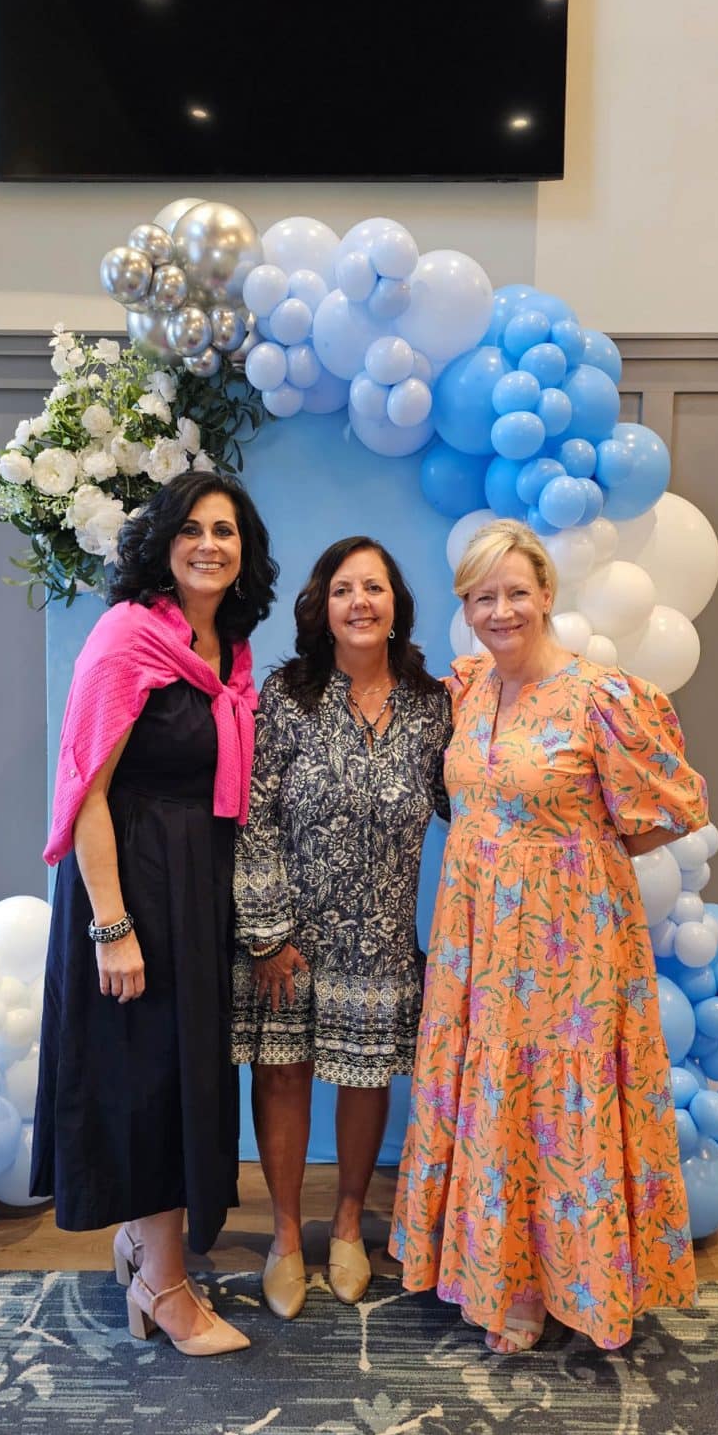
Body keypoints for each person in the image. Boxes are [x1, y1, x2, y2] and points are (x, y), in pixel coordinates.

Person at [392, 518, 709, 1354]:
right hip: (474, 934)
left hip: (569, 941)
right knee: (496, 1095)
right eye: (482, 597)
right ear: (466, 606)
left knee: (559, 1101)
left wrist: (584, 855)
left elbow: (678, 805)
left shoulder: (601, 696)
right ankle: (508, 1276)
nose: (500, 611)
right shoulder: (465, 690)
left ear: (546, 595)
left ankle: (571, 1283)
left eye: (516, 593)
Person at [31, 469, 277, 1357]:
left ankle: (146, 1246)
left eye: (226, 530)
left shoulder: (228, 649)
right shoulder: (127, 635)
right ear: (162, 543)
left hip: (194, 885)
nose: (209, 544)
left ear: (245, 552)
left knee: (178, 1073)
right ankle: (163, 1288)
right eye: (191, 528)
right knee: (148, 1081)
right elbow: (86, 792)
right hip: (131, 885)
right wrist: (113, 927)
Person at [233, 536, 451, 1319]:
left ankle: (351, 1226)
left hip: (381, 939)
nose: (360, 601)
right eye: (343, 589)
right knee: (282, 1075)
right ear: (321, 607)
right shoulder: (287, 695)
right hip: (288, 939)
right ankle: (287, 1237)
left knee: (365, 1080)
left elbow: (469, 801)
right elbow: (253, 814)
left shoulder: (433, 706)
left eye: (375, 587)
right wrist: (267, 934)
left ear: (396, 605)